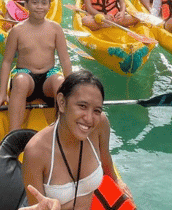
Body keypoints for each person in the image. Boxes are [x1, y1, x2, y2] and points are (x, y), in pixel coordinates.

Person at [19, 70, 131, 210]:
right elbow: (37, 206)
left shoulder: (100, 124)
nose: (89, 119)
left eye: (96, 110)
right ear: (61, 102)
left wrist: (118, 181)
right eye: (82, 106)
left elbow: (106, 163)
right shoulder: (36, 151)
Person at [0, 0, 72, 132]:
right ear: (26, 5)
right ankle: (14, 133)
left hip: (48, 76)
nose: (39, 7)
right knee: (20, 81)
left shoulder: (56, 29)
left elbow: (65, 60)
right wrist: (2, 92)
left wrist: (72, 88)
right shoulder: (17, 31)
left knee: (60, 81)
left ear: (49, 6)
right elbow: (7, 62)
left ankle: (63, 130)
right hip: (26, 76)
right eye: (34, 2)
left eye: (44, 3)